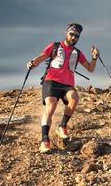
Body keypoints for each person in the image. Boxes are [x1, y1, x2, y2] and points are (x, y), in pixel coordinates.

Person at [27, 23, 99, 153]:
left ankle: (62, 126)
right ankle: (44, 140)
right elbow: (41, 57)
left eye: (76, 36)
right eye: (71, 34)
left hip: (67, 85)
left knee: (74, 98)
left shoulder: (78, 53)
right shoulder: (54, 46)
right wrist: (32, 63)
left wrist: (94, 57)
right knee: (51, 105)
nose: (73, 38)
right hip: (51, 82)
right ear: (66, 33)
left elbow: (90, 68)